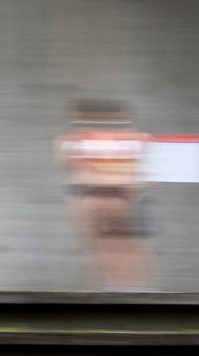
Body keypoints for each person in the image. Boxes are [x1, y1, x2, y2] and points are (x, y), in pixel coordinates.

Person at [58, 100, 156, 291]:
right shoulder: (137, 139)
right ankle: (132, 291)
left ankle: (107, 292)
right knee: (124, 248)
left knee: (100, 248)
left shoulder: (74, 140)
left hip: (91, 198)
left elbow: (67, 164)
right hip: (119, 198)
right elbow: (149, 174)